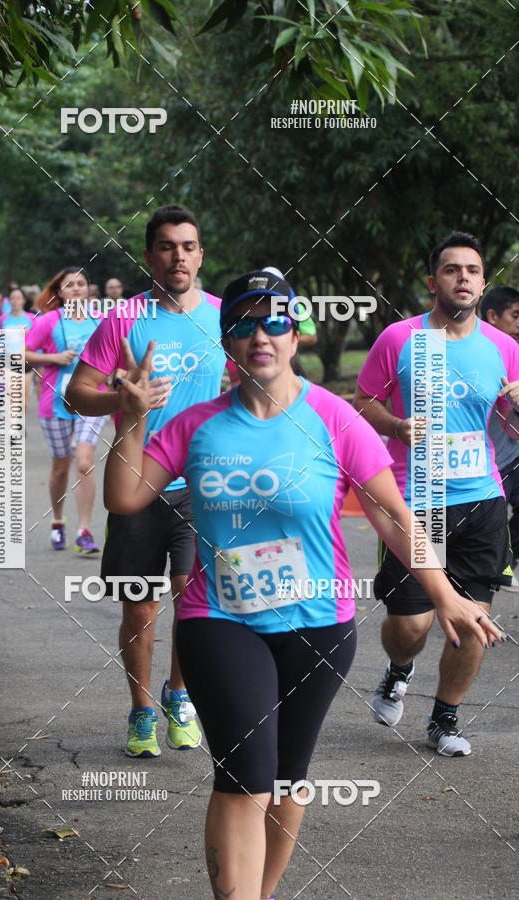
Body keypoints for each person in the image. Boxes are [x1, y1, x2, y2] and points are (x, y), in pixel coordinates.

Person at [104, 269, 502, 900]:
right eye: (242, 323)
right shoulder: (197, 426)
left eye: (276, 320)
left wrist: (446, 593)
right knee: (244, 777)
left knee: (288, 781)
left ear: (296, 335)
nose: (260, 334)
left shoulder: (337, 419)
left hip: (319, 626)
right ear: (226, 340)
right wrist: (131, 417)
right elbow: (125, 497)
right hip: (219, 621)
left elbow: (396, 517)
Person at [66, 204, 225, 758]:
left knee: (192, 599)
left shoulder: (226, 319)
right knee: (139, 605)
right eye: (166, 246)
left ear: (200, 255)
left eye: (188, 246)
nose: (178, 256)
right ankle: (140, 710)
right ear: (150, 256)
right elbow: (76, 392)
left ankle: (178, 695)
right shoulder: (123, 319)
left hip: (202, 488)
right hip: (134, 480)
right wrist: (122, 399)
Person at [354, 231, 519, 757]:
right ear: (434, 282)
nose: (463, 278)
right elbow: (363, 403)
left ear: (483, 281)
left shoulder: (506, 348)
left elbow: (511, 428)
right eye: (452, 270)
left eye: (472, 270)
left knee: (474, 621)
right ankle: (399, 668)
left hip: (483, 498)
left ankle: (445, 718)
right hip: (415, 499)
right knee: (410, 623)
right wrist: (396, 426)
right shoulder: (400, 339)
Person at [24, 267, 107, 553]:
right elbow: (21, 352)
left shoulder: (101, 320)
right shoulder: (48, 321)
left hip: (93, 399)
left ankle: (84, 531)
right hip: (54, 401)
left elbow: (115, 354)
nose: (75, 289)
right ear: (60, 292)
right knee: (60, 465)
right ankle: (58, 520)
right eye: (69, 285)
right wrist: (54, 357)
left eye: (81, 284)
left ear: (88, 289)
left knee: (84, 460)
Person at [480, 285, 519, 587]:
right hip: (480, 463)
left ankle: (506, 564)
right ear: (492, 316)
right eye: (515, 316)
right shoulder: (476, 351)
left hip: (511, 453)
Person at [0, 286, 37, 412]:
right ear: (9, 301)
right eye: (13, 298)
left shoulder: (31, 318)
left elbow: (37, 341)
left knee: (24, 401)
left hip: (26, 361)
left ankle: (19, 427)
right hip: (8, 361)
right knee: (12, 399)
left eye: (18, 298)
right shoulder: (4, 319)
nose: (15, 301)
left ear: (24, 300)